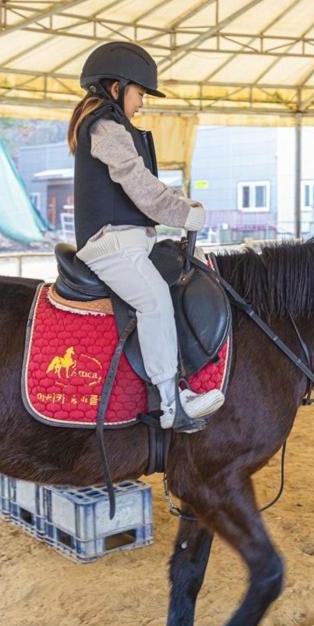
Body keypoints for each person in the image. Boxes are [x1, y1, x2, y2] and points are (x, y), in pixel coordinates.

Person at [68, 41, 224, 432]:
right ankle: (173, 403)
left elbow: (149, 185)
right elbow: (138, 185)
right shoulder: (105, 125)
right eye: (139, 94)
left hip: (132, 240)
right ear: (117, 88)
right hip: (111, 245)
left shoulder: (117, 125)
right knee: (154, 301)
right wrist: (183, 214)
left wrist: (182, 204)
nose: (140, 103)